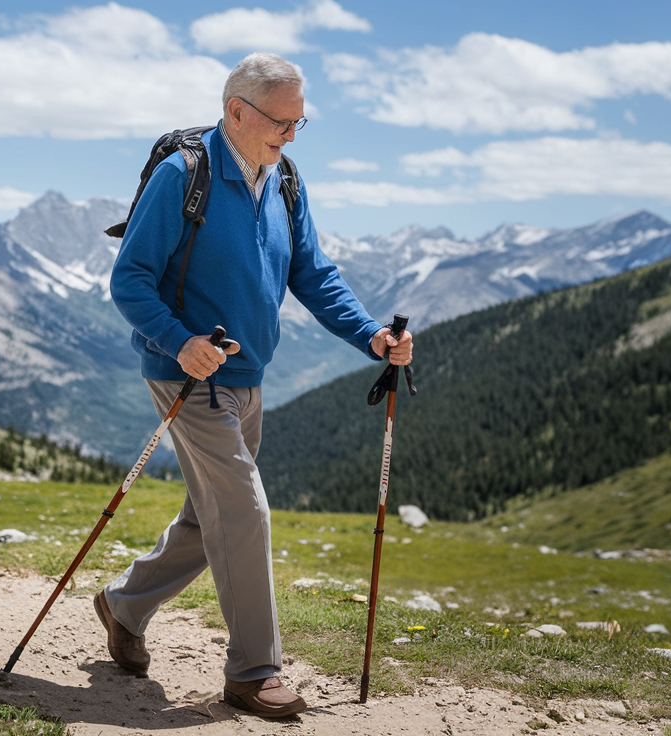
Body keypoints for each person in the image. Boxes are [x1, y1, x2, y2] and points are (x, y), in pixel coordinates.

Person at [99, 52, 413, 719]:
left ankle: (123, 606)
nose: (292, 136)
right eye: (282, 122)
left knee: (205, 515)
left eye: (301, 123)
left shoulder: (283, 179)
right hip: (187, 375)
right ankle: (253, 672)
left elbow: (315, 274)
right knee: (242, 509)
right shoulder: (183, 175)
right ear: (237, 111)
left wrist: (371, 337)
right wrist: (180, 341)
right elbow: (130, 278)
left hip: (249, 379)